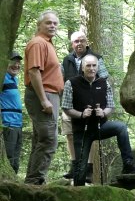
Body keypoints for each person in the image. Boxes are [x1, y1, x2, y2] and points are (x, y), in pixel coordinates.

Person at [61, 54, 135, 186]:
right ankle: (78, 190)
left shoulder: (104, 83)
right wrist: (81, 114)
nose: (91, 68)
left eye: (94, 66)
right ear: (82, 68)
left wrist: (103, 113)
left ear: (98, 67)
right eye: (88, 65)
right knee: (80, 173)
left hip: (100, 127)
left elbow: (111, 106)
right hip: (81, 130)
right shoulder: (72, 83)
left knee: (120, 127)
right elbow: (66, 108)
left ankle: (128, 163)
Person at [60, 31, 109, 180]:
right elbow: (61, 78)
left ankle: (87, 168)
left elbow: (105, 77)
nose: (79, 43)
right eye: (76, 41)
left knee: (90, 133)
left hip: (91, 102)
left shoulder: (96, 58)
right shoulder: (67, 60)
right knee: (70, 134)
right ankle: (76, 166)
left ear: (87, 42)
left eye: (82, 40)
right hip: (71, 103)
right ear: (72, 44)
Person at [23, 10, 64, 185]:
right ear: (39, 25)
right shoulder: (38, 43)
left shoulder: (47, 44)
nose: (52, 25)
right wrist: (43, 100)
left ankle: (32, 180)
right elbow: (33, 72)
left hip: (50, 95)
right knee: (48, 139)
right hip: (43, 95)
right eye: (48, 22)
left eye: (55, 23)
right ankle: (35, 181)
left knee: (41, 138)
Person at [1, 52, 24, 174]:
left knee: (15, 159)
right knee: (9, 157)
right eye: (13, 61)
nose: (16, 65)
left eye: (18, 62)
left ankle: (14, 182)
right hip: (8, 123)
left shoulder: (14, 79)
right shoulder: (2, 78)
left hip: (18, 124)